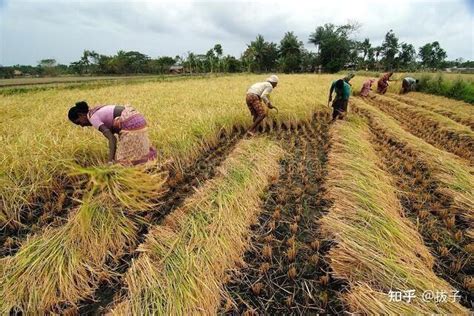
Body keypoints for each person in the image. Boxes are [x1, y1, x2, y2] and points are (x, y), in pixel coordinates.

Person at [68, 101, 157, 165]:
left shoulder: (93, 118)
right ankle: (146, 176)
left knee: (124, 161)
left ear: (81, 115)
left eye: (79, 122)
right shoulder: (94, 111)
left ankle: (135, 183)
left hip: (129, 122)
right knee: (138, 154)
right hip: (137, 118)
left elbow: (112, 138)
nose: (82, 126)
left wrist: (110, 161)